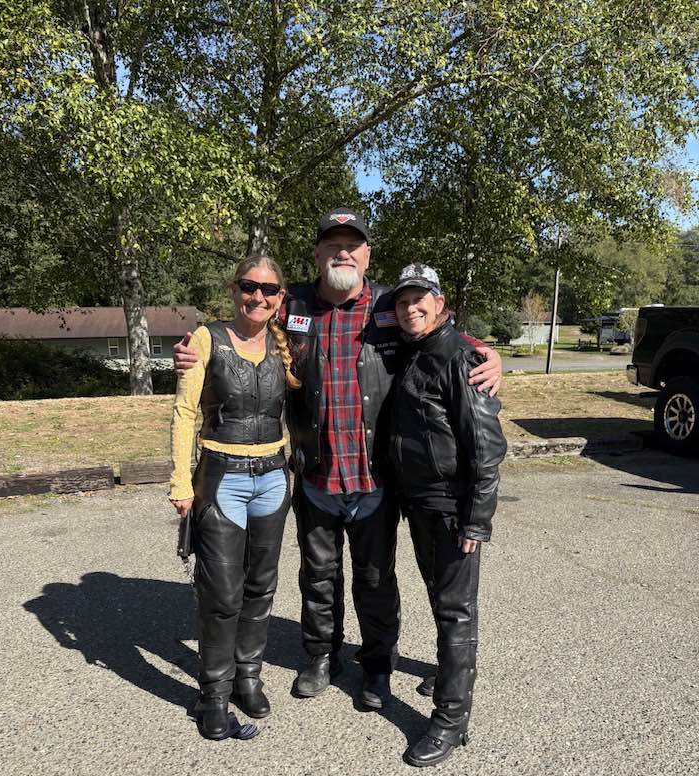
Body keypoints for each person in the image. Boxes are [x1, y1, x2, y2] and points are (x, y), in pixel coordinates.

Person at [174, 208, 502, 712]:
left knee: (375, 578)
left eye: (353, 245)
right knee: (318, 577)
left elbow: (440, 329)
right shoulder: (292, 304)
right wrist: (195, 348)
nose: (342, 253)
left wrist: (484, 350)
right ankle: (321, 656)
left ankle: (377, 664)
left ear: (367, 255)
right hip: (316, 472)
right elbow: (244, 324)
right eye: (332, 244)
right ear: (318, 254)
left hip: (375, 475)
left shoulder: (390, 305)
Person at [169, 254, 300, 741]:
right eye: (249, 286)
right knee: (221, 595)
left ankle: (248, 678)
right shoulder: (206, 339)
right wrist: (180, 482)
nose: (257, 297)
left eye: (269, 290)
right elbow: (185, 412)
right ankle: (214, 696)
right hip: (222, 477)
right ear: (234, 289)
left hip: (273, 477)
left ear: (280, 298)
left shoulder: (287, 347)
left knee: (261, 587)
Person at [388, 264, 507, 767]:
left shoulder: (460, 358)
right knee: (441, 599)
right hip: (419, 504)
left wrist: (476, 519)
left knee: (457, 611)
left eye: (420, 299)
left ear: (439, 303)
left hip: (451, 509)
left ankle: (451, 720)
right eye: (402, 301)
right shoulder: (414, 350)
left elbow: (487, 447)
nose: (410, 308)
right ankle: (448, 672)